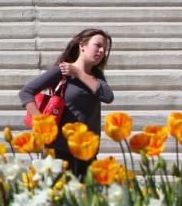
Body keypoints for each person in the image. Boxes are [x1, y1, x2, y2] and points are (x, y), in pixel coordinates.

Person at [19, 28, 114, 177]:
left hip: (86, 151)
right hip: (60, 150)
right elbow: (26, 92)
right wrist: (40, 120)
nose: (102, 51)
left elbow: (107, 96)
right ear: (82, 45)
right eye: (98, 45)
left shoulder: (96, 75)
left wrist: (78, 73)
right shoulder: (62, 70)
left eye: (105, 48)